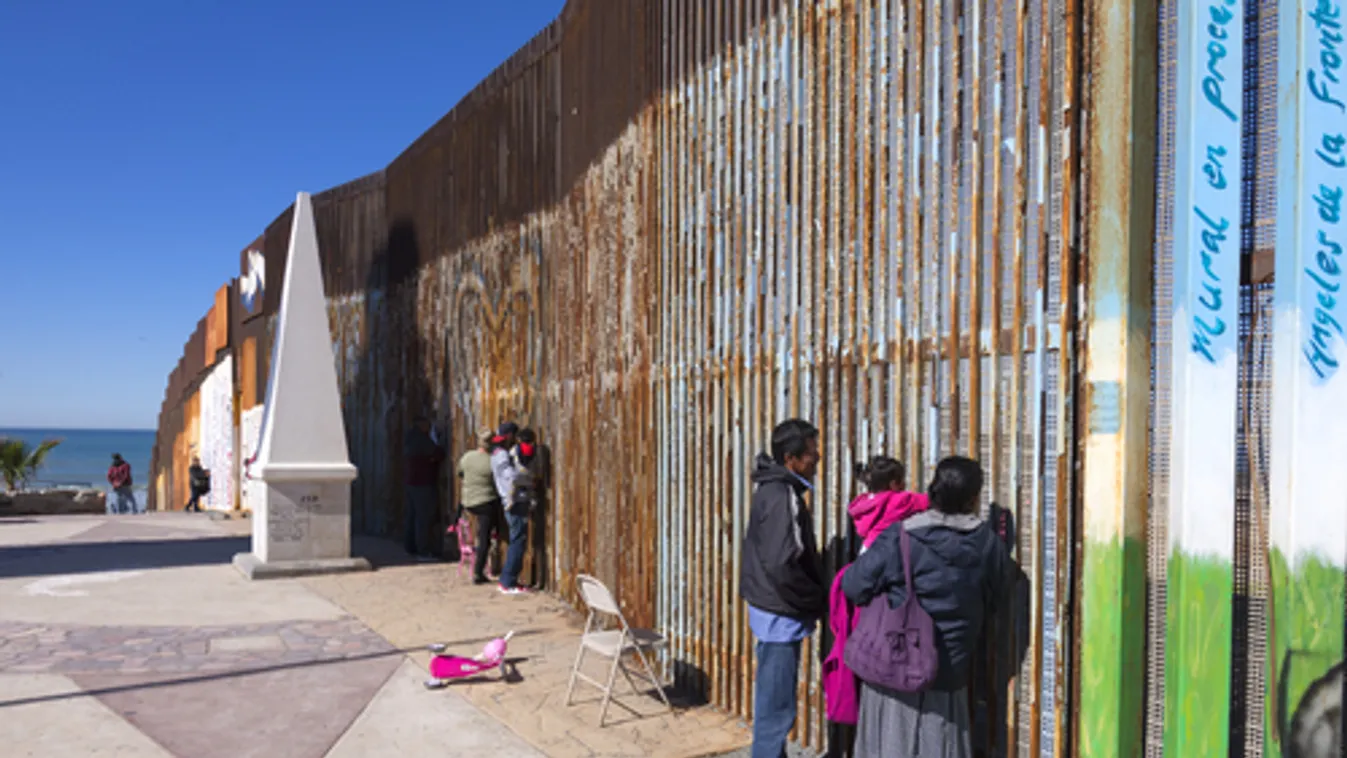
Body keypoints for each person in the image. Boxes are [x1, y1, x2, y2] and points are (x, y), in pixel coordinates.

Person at [841, 456, 1015, 757]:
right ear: (974, 498)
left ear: (933, 491)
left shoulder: (900, 536)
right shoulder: (988, 544)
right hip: (948, 673)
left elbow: (854, 585)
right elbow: (998, 597)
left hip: (894, 665)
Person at [739, 419, 827, 758]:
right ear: (791, 458)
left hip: (770, 607)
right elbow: (782, 563)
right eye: (811, 453)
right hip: (779, 613)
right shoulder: (782, 496)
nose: (817, 458)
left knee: (772, 702)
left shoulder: (773, 488)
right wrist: (814, 598)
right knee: (776, 710)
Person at [847, 456, 928, 551]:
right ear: (893, 484)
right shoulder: (898, 501)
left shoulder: (865, 502)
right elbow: (928, 500)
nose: (905, 483)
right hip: (887, 551)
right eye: (902, 479)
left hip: (867, 550)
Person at [457, 428, 501, 584]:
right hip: (485, 501)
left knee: (479, 533)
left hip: (468, 501)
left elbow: (460, 473)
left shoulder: (467, 457)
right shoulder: (491, 461)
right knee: (484, 539)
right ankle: (478, 572)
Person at [404, 415, 445, 562]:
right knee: (423, 517)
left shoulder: (410, 438)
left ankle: (411, 546)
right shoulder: (421, 439)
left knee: (412, 516)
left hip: (411, 481)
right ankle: (423, 550)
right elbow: (438, 454)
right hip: (422, 482)